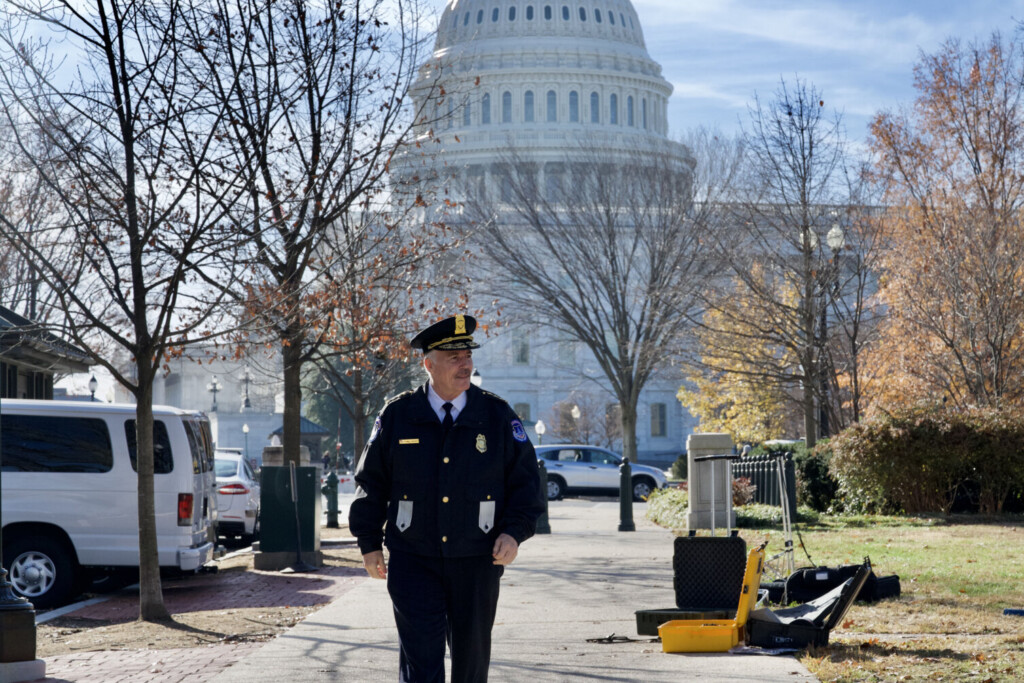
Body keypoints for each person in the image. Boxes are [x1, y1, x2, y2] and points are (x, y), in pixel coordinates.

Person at [348, 314, 544, 683]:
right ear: (429, 364)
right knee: (420, 664)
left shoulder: (496, 415)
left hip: (477, 559)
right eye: (453, 357)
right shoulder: (399, 414)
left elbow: (526, 483)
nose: (465, 364)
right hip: (413, 559)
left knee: (471, 663)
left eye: (468, 355)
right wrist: (368, 543)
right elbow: (371, 482)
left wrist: (514, 532)